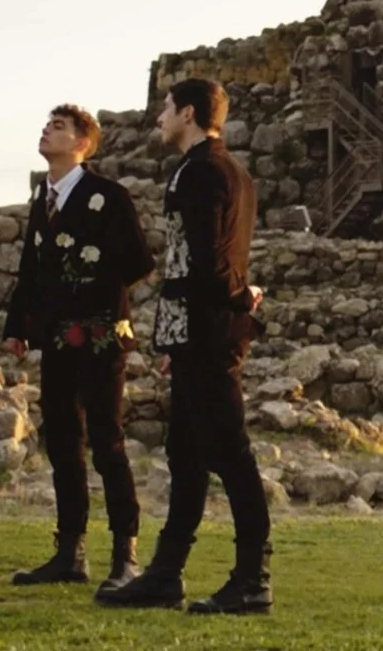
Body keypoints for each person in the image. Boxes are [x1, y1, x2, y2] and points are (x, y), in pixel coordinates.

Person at [98, 79, 271, 615]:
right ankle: (165, 573)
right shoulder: (230, 171)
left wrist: (240, 296)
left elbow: (206, 260)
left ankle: (252, 578)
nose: (158, 118)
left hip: (208, 333)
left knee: (230, 454)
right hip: (198, 332)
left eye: (166, 108)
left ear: (189, 113)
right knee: (187, 454)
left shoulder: (200, 172)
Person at [2, 105, 153, 593]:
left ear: (83, 143)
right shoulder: (42, 199)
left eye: (59, 127)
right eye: (46, 124)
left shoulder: (108, 197)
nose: (46, 130)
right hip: (55, 341)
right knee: (63, 443)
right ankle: (70, 552)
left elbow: (138, 260)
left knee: (107, 442)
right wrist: (17, 326)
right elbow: (30, 268)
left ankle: (125, 555)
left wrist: (90, 294)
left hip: (100, 338)